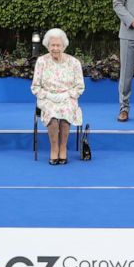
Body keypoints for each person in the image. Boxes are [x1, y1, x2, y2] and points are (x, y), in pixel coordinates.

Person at [30, 28, 85, 165]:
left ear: (64, 46)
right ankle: (54, 148)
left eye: (58, 45)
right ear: (47, 46)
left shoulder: (74, 63)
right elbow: (35, 87)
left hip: (67, 97)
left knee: (65, 112)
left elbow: (80, 87)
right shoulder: (41, 62)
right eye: (52, 45)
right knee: (53, 116)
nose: (55, 48)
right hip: (47, 98)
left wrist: (67, 95)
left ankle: (63, 147)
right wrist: (48, 95)